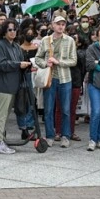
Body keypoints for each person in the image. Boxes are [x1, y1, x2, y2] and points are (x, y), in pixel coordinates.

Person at [34, 16, 77, 148]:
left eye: (63, 24)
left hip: (65, 79)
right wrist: (45, 63)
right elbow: (37, 58)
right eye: (58, 24)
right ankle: (50, 136)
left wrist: (59, 62)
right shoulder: (45, 41)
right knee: (48, 109)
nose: (61, 26)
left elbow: (73, 60)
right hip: (50, 78)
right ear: (53, 25)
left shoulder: (70, 41)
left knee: (65, 109)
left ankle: (65, 136)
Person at [0, 19, 31, 154]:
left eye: (14, 29)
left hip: (13, 86)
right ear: (4, 31)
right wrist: (18, 65)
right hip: (3, 86)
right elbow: (0, 64)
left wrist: (27, 67)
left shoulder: (15, 46)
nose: (13, 32)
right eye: (10, 29)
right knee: (1, 116)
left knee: (5, 116)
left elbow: (19, 62)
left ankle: (1, 140)